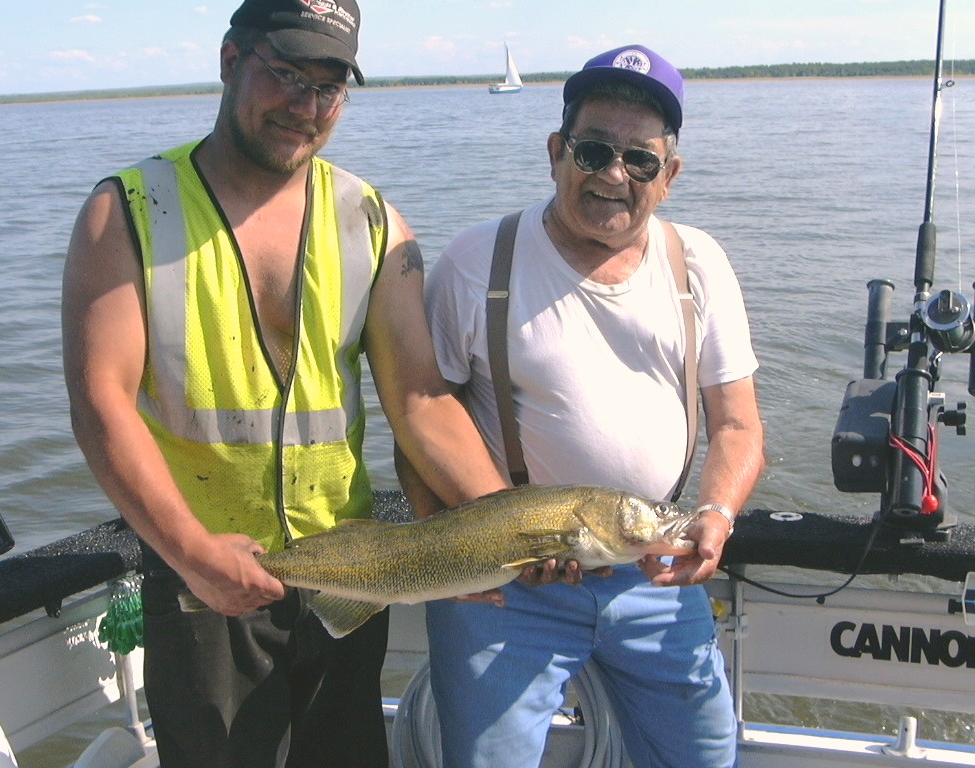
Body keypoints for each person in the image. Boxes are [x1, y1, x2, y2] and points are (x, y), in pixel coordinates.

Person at [60, 1, 506, 766]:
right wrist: (193, 552)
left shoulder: (373, 221)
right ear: (231, 61)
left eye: (329, 87)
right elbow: (102, 407)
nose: (306, 106)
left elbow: (421, 401)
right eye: (288, 75)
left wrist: (508, 526)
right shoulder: (127, 212)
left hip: (352, 572)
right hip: (201, 578)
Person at [401, 45, 765, 767]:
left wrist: (717, 516)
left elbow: (737, 424)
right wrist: (448, 553)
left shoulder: (699, 264)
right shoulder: (476, 262)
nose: (612, 175)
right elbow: (422, 415)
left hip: (656, 572)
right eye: (592, 151)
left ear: (670, 176)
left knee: (703, 756)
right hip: (508, 584)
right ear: (555, 153)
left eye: (641, 160)